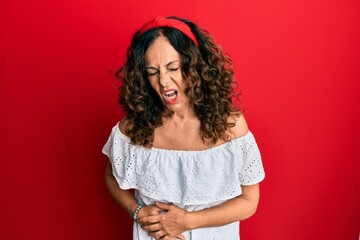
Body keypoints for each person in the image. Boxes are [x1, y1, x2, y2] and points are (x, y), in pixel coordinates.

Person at [102, 16, 265, 240]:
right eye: (152, 72)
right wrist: (137, 211)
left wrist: (186, 222)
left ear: (194, 66)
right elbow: (111, 176)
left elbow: (249, 202)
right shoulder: (133, 130)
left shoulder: (230, 127)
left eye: (173, 68)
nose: (164, 82)